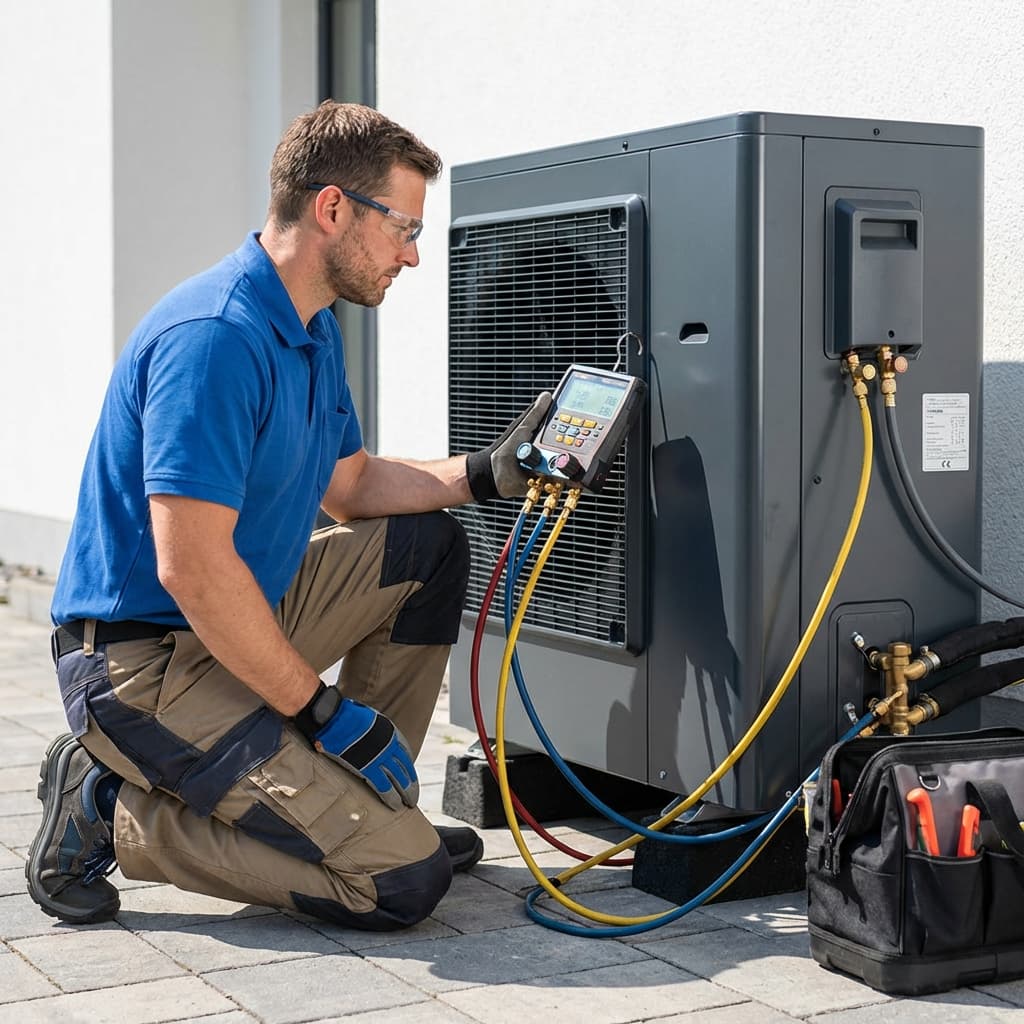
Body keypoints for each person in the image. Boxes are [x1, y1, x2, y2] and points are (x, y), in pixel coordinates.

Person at [26, 101, 552, 931]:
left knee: (426, 548)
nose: (413, 255)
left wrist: (488, 472)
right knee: (401, 885)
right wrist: (322, 709)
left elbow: (352, 487)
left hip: (234, 623)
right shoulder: (216, 338)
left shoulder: (308, 330)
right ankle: (108, 807)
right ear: (333, 208)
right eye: (404, 228)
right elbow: (190, 568)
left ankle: (372, 812)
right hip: (140, 670)